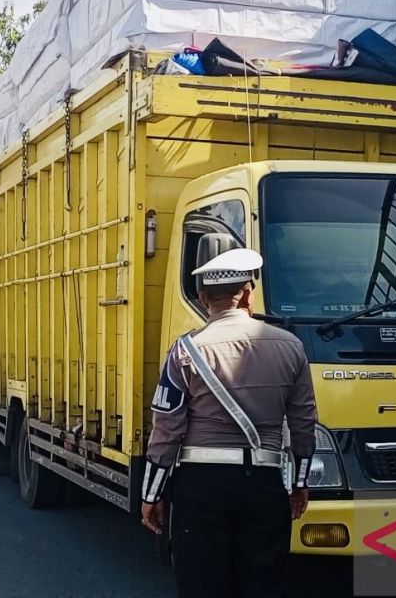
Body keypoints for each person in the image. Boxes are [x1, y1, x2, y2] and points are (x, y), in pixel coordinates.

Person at [140, 247, 317, 598]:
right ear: (248, 294)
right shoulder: (291, 347)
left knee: (202, 583)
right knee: (262, 582)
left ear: (204, 298)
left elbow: (167, 428)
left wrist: (151, 493)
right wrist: (299, 484)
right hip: (264, 485)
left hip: (201, 486)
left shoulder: (185, 350)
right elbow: (303, 424)